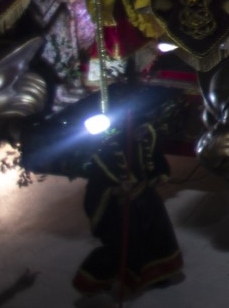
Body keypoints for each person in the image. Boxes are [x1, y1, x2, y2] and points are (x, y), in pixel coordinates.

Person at [71, 120, 185, 298]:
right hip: (126, 211)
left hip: (148, 203)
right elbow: (96, 189)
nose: (142, 133)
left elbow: (155, 162)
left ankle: (158, 275)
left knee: (158, 240)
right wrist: (116, 190)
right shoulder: (107, 156)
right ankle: (97, 281)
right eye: (138, 130)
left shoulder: (143, 143)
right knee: (126, 249)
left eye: (143, 130)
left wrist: (158, 176)